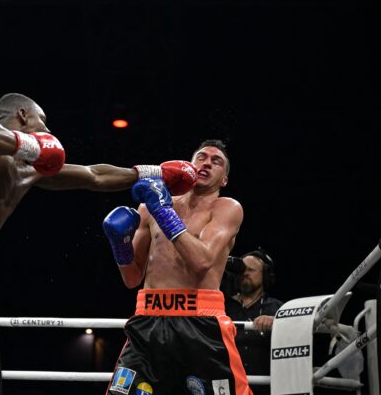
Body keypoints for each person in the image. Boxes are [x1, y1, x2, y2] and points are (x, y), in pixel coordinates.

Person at [0, 92, 197, 395]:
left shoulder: (29, 170)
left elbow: (93, 176)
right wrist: (31, 145)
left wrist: (153, 173)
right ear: (23, 115)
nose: (48, 131)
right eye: (42, 121)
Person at [102, 139, 252, 395]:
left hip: (201, 323)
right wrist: (120, 244)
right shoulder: (150, 207)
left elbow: (202, 261)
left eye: (216, 162)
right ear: (189, 166)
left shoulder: (226, 208)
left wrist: (163, 212)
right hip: (148, 320)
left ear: (224, 179)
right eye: (201, 157)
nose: (207, 163)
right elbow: (131, 278)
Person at [225, 248, 283, 393]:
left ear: (265, 276)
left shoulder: (278, 308)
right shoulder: (222, 307)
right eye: (242, 270)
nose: (245, 273)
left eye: (251, 270)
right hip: (229, 387)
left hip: (265, 389)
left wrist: (278, 321)